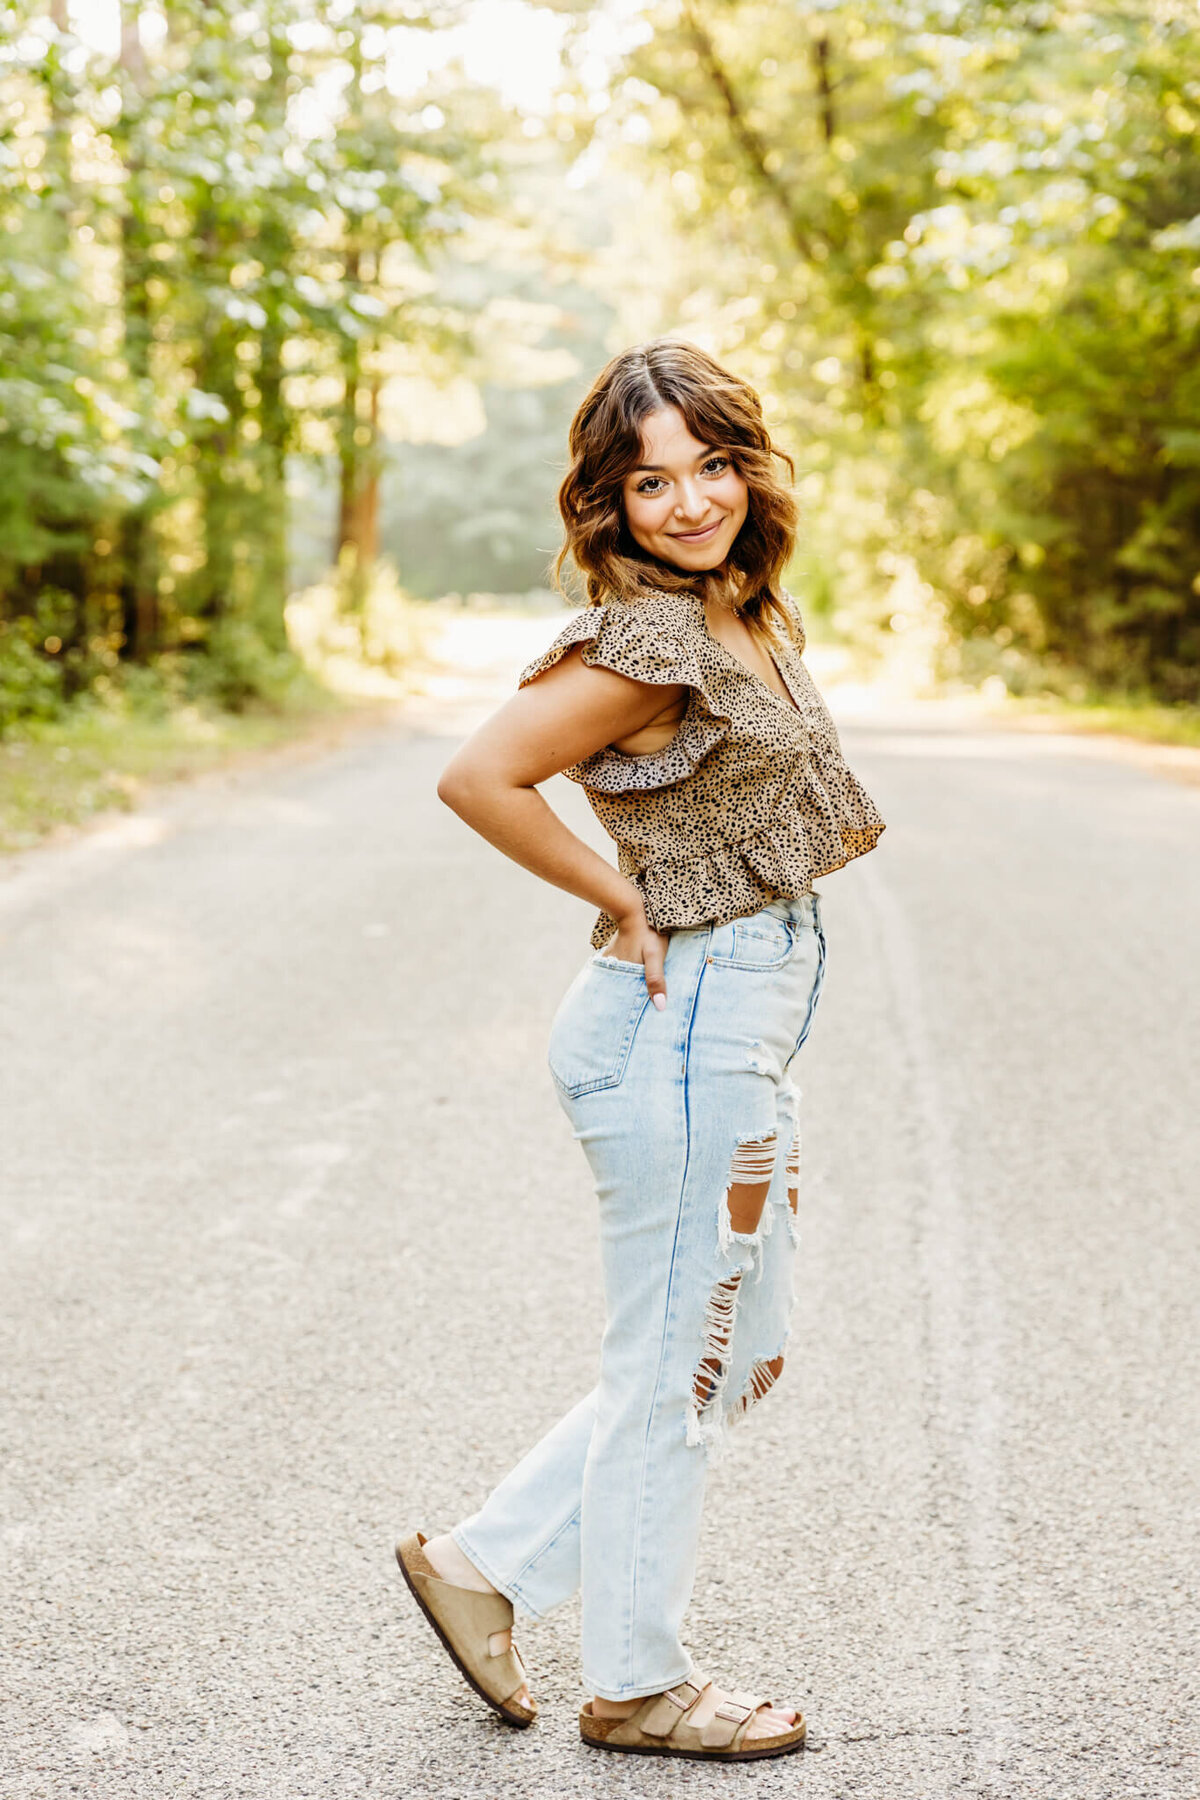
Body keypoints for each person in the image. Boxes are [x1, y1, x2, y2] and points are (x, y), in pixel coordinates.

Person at [396, 337, 886, 1763]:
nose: (690, 502)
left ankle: (485, 1565)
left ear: (752, 467)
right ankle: (636, 1682)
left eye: (715, 465)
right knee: (678, 1366)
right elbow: (478, 773)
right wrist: (619, 893)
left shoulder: (738, 611)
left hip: (740, 1033)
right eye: (651, 480)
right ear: (608, 501)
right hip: (681, 1028)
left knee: (734, 1350)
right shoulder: (652, 640)